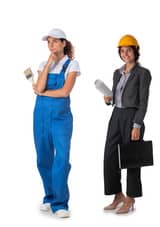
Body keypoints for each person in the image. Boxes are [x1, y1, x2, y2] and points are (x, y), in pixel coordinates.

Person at [103, 34, 151, 215]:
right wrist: (108, 99)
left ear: (135, 51)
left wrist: (137, 125)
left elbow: (143, 102)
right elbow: (115, 99)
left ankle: (131, 198)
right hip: (116, 116)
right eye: (122, 51)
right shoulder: (117, 73)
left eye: (128, 50)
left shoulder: (143, 73)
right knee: (110, 156)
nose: (125, 54)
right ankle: (118, 195)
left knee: (131, 158)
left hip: (132, 117)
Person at [34, 28, 79, 219]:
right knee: (43, 158)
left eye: (54, 41)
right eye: (48, 42)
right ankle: (50, 196)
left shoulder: (72, 64)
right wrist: (48, 65)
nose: (50, 45)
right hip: (40, 116)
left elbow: (64, 92)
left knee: (61, 159)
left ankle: (60, 203)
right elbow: (40, 85)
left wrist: (41, 93)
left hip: (61, 119)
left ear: (63, 43)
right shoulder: (44, 63)